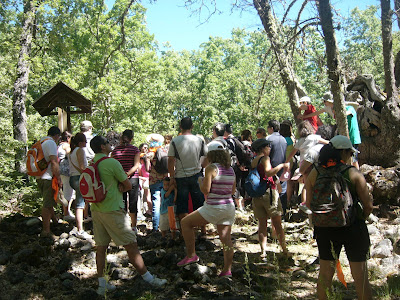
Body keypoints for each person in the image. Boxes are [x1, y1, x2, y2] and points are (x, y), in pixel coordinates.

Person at [89, 136, 167, 296]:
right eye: (107, 143)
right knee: (131, 244)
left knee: (101, 247)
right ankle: (148, 278)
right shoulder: (111, 163)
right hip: (113, 209)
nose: (110, 145)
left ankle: (102, 284)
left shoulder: (92, 163)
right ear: (103, 147)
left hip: (96, 209)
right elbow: (127, 184)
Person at [305, 136, 373, 300]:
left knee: (325, 275)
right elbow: (368, 205)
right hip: (353, 227)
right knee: (360, 276)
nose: (351, 156)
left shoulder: (315, 172)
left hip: (324, 228)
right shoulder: (353, 173)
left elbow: (308, 203)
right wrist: (358, 217)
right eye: (350, 153)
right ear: (343, 152)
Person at [177, 141, 236, 278]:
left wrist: (200, 182)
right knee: (226, 239)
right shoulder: (231, 169)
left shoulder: (211, 168)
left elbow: (206, 190)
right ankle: (227, 270)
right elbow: (232, 190)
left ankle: (191, 255)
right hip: (229, 206)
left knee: (185, 223)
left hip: (214, 206)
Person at [250, 139, 290, 259]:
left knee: (262, 224)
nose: (270, 149)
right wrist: (282, 165)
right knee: (277, 222)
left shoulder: (254, 161)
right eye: (268, 146)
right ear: (263, 148)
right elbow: (268, 172)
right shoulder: (265, 159)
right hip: (269, 193)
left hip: (257, 194)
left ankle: (263, 251)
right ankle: (284, 249)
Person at [168, 117, 208, 225]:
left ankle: (185, 231)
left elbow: (170, 160)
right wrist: (202, 166)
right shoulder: (200, 140)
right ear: (192, 127)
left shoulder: (174, 141)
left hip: (180, 177)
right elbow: (207, 156)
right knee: (199, 204)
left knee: (182, 206)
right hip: (197, 175)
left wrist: (172, 177)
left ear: (180, 127)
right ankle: (202, 231)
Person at [36, 126, 62, 237]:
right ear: (56, 136)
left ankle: (55, 221)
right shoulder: (51, 143)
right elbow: (54, 162)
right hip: (47, 177)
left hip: (39, 176)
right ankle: (46, 231)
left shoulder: (41, 141)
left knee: (49, 201)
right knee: (47, 204)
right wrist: (59, 178)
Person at [112, 130, 140, 230]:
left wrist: (122, 176)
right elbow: (136, 165)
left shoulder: (115, 151)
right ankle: (133, 226)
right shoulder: (135, 149)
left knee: (121, 202)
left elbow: (113, 166)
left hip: (120, 179)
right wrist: (128, 174)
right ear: (131, 138)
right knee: (133, 202)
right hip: (133, 178)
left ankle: (123, 225)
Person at [69, 133, 91, 240]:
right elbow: (82, 167)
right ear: (80, 142)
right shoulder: (80, 150)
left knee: (82, 202)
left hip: (73, 177)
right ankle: (80, 230)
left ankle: (82, 222)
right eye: (85, 141)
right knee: (80, 204)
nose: (86, 143)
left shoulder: (72, 151)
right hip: (79, 178)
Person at [145, 133, 168, 231]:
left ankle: (155, 228)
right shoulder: (165, 150)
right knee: (165, 203)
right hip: (165, 180)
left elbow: (147, 169)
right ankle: (167, 226)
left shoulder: (150, 154)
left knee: (156, 204)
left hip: (154, 180)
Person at [266, 120, 288, 216]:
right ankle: (283, 212)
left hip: (272, 167)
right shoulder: (284, 139)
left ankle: (273, 212)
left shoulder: (269, 139)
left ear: (271, 128)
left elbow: (266, 153)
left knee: (272, 189)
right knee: (282, 189)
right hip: (282, 166)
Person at [58, 130, 75, 221]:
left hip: (60, 170)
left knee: (67, 191)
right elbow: (70, 155)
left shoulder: (59, 145)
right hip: (67, 171)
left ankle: (67, 211)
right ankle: (66, 213)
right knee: (69, 192)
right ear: (68, 138)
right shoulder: (66, 146)